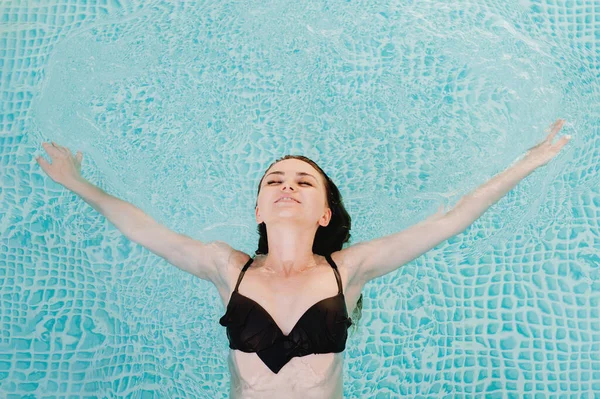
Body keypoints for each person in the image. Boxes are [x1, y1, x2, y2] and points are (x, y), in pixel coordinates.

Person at [35, 119, 570, 398]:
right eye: (275, 180)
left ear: (323, 213)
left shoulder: (348, 270)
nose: (286, 186)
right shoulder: (229, 268)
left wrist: (529, 161)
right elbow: (142, 227)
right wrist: (77, 182)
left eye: (302, 181)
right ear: (259, 206)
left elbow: (450, 218)